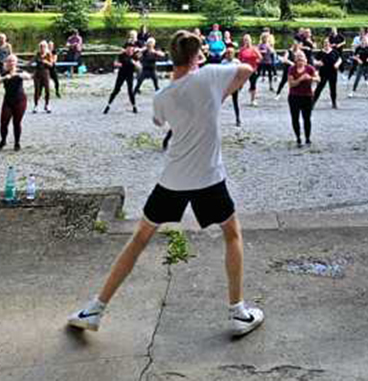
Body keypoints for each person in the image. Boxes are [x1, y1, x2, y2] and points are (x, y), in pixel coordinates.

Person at [67, 31, 263, 338]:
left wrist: (211, 99)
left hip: (172, 178)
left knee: (139, 239)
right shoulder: (211, 75)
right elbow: (247, 70)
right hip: (209, 177)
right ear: (198, 55)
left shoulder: (162, 97)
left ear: (171, 57)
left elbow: (161, 122)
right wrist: (220, 96)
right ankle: (238, 312)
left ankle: (95, 308)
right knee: (231, 235)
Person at [284, 49, 318, 147]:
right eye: (298, 59)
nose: (300, 61)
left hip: (307, 96)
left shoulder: (310, 68)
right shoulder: (292, 69)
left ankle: (307, 138)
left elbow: (318, 79)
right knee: (295, 118)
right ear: (295, 60)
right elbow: (291, 84)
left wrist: (311, 78)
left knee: (307, 118)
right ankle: (298, 137)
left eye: (302, 58)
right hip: (294, 97)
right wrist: (300, 79)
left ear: (305, 60)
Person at [0, 53, 28, 150]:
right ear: (6, 63)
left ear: (16, 62)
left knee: (16, 123)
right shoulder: (4, 73)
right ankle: (3, 140)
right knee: (3, 122)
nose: (11, 63)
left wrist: (17, 75)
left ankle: (17, 143)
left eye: (13, 61)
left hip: (20, 100)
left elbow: (28, 76)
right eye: (9, 61)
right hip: (8, 100)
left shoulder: (20, 72)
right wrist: (5, 78)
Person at [230, 34, 259, 128]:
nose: (246, 41)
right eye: (245, 40)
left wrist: (256, 63)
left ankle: (253, 99)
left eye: (248, 40)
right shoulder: (242, 50)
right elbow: (238, 60)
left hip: (253, 69)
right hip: (244, 69)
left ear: (250, 40)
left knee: (253, 85)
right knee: (240, 83)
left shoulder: (254, 49)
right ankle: (237, 91)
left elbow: (260, 57)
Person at [105, 38, 139, 115]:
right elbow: (115, 63)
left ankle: (134, 106)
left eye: (131, 47)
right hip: (121, 74)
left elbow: (139, 66)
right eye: (128, 47)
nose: (130, 49)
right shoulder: (121, 55)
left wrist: (134, 63)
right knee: (116, 90)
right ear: (126, 48)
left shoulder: (135, 56)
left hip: (130, 74)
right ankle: (108, 105)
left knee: (130, 91)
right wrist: (117, 64)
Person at [312, 40, 343, 110]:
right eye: (325, 43)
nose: (326, 44)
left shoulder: (334, 51)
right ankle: (312, 103)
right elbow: (314, 61)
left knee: (333, 88)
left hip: (333, 72)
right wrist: (318, 63)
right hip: (323, 73)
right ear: (323, 45)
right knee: (319, 88)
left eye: (327, 43)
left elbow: (340, 59)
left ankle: (334, 103)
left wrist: (337, 64)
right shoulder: (321, 52)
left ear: (329, 44)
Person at [32, 40, 57, 113]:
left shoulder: (48, 54)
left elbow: (51, 64)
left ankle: (47, 105)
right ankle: (36, 105)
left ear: (46, 47)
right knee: (37, 90)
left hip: (45, 73)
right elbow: (31, 61)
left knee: (47, 90)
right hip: (37, 73)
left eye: (43, 46)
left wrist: (46, 62)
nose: (42, 48)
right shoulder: (37, 54)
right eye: (41, 47)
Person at [251, 30, 277, 102]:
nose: (265, 39)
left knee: (270, 74)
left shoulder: (269, 45)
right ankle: (253, 86)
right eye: (264, 38)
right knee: (258, 73)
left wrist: (270, 51)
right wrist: (262, 51)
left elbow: (272, 51)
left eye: (266, 38)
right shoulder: (260, 45)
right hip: (261, 61)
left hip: (268, 61)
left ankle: (271, 85)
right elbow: (257, 51)